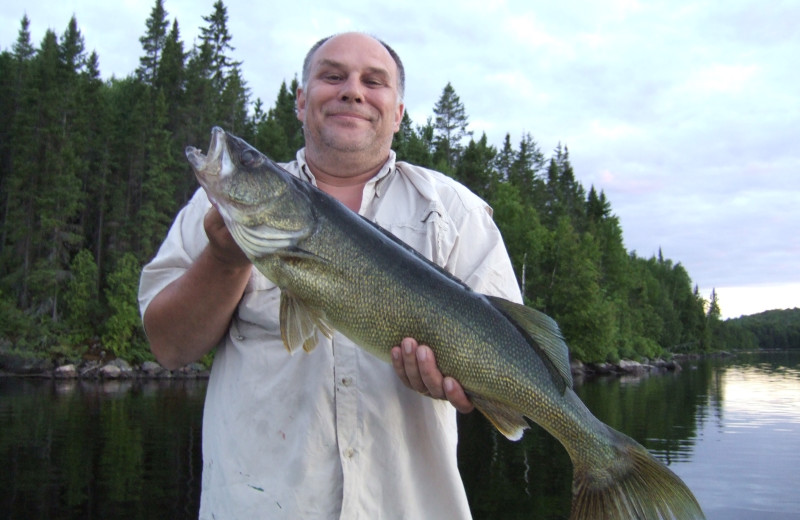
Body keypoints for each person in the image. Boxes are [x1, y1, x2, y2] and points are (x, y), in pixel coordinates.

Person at [139, 32, 522, 519]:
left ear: (398, 112)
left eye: (374, 81)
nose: (353, 91)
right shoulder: (213, 212)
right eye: (332, 76)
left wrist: (469, 384)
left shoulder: (456, 213)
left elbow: (510, 353)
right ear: (302, 101)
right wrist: (226, 259)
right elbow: (169, 347)